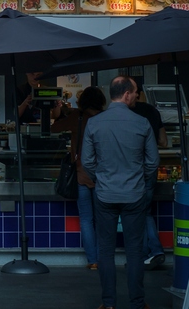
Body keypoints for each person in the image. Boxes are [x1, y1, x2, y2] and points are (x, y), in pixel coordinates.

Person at [82, 76, 158, 309]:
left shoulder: (94, 123)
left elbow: (87, 161)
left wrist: (102, 178)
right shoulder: (142, 123)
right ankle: (137, 303)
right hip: (135, 195)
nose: (137, 95)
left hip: (104, 195)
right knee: (134, 251)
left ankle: (109, 303)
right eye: (135, 92)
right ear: (126, 94)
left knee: (105, 250)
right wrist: (137, 178)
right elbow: (153, 162)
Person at [51, 85, 106, 270]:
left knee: (86, 219)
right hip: (104, 176)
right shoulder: (106, 119)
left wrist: (61, 113)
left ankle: (93, 261)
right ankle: (104, 258)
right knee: (103, 218)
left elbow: (53, 128)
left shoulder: (77, 118)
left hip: (82, 174)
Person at [131, 84, 168, 270]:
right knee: (144, 211)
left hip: (132, 169)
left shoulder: (127, 114)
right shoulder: (152, 111)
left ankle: (153, 251)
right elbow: (163, 141)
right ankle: (148, 254)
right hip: (150, 168)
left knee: (140, 212)